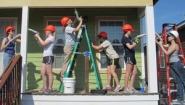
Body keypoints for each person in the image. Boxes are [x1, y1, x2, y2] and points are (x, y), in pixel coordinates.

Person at [156, 30, 185, 102]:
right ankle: (180, 98)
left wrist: (160, 45)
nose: (168, 37)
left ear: (173, 37)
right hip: (172, 64)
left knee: (183, 80)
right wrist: (156, 40)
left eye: (169, 36)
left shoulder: (175, 45)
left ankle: (181, 97)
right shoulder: (170, 45)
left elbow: (167, 53)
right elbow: (161, 44)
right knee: (178, 81)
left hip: (177, 64)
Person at [34, 25, 56, 93]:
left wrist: (38, 36)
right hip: (45, 56)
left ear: (50, 31)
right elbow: (41, 45)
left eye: (46, 30)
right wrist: (37, 39)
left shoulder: (52, 37)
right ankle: (45, 88)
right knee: (43, 72)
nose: (45, 31)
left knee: (49, 72)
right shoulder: (47, 38)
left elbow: (43, 43)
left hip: (49, 56)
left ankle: (50, 88)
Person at [60, 16, 83, 81]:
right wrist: (81, 21)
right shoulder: (67, 28)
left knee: (71, 61)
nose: (70, 19)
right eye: (69, 19)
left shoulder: (70, 26)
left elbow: (74, 22)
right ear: (67, 22)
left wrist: (77, 17)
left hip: (71, 46)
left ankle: (67, 74)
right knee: (66, 61)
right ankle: (62, 76)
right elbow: (76, 29)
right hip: (68, 47)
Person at [121, 24, 140, 93]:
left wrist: (136, 40)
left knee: (134, 72)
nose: (131, 32)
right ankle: (126, 88)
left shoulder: (129, 38)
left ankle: (131, 87)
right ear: (127, 31)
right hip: (128, 56)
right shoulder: (124, 38)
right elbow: (130, 47)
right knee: (128, 72)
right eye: (130, 31)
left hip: (132, 56)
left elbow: (132, 44)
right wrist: (137, 41)